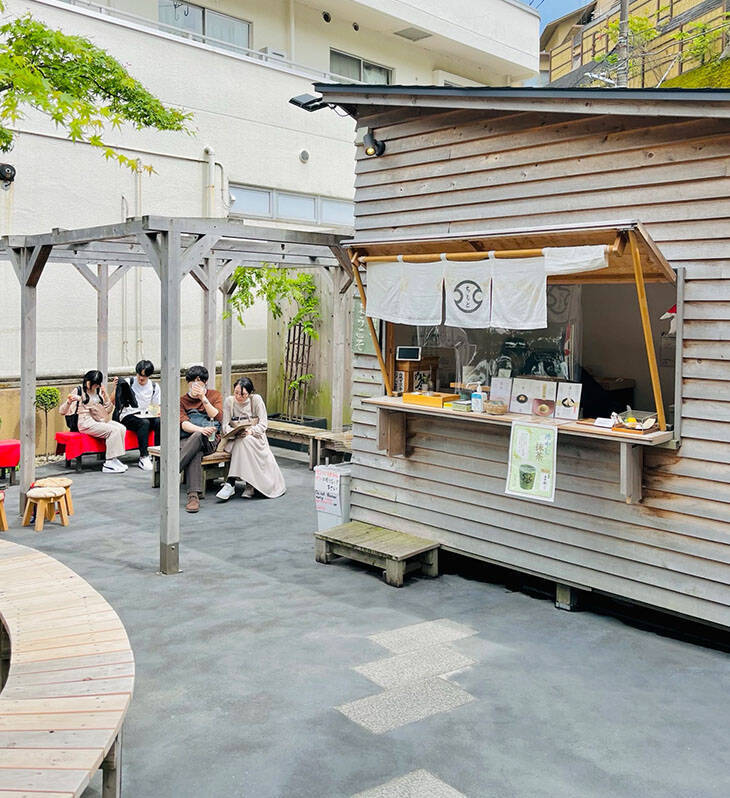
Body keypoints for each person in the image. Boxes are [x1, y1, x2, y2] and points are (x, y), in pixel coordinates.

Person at [216, 377, 285, 501]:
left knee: (245, 441)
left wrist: (250, 431)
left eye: (242, 394)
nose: (238, 396)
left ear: (250, 393)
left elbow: (263, 424)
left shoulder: (256, 400)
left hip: (255, 438)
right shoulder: (229, 402)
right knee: (242, 441)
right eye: (236, 393)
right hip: (234, 439)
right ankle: (247, 484)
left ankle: (231, 483)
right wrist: (234, 432)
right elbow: (225, 426)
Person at [59, 370, 128, 473]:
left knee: (122, 428)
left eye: (96, 384)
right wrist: (69, 402)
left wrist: (106, 396)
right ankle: (109, 462)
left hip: (99, 419)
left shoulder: (98, 391)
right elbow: (62, 411)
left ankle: (114, 458)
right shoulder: (78, 390)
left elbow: (108, 410)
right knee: (113, 430)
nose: (92, 385)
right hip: (85, 422)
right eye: (91, 383)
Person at [179, 364, 223, 513]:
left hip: (210, 440)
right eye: (193, 382)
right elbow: (183, 424)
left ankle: (173, 471)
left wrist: (203, 398)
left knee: (198, 437)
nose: (196, 385)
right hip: (189, 440)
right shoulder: (182, 400)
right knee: (195, 451)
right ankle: (193, 497)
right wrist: (201, 430)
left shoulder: (214, 395)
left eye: (200, 382)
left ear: (205, 382)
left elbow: (217, 416)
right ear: (188, 383)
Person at [114, 359, 161, 471]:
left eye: (144, 376)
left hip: (145, 415)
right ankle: (144, 456)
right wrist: (117, 387)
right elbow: (114, 401)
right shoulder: (128, 382)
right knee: (143, 423)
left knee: (159, 422)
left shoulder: (154, 386)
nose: (141, 378)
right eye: (139, 375)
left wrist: (155, 413)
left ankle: (157, 453)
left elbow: (156, 406)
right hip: (128, 415)